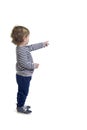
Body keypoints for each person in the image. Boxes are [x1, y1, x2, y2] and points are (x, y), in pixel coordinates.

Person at [11, 26, 49, 114]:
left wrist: (42, 44)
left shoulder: (23, 47)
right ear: (24, 38)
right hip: (23, 76)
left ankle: (21, 104)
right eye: (28, 36)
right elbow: (23, 64)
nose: (29, 38)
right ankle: (20, 106)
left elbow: (32, 47)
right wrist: (33, 65)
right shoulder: (21, 50)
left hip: (25, 75)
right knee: (23, 91)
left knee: (24, 91)